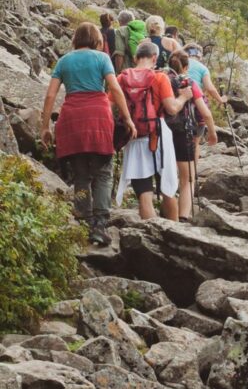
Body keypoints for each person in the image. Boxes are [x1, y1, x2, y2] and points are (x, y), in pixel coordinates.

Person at [40, 22, 137, 246]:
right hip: (98, 116)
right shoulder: (102, 58)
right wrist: (128, 118)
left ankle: (83, 221)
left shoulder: (64, 61)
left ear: (75, 39)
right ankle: (100, 225)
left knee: (81, 172)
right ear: (97, 40)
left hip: (72, 117)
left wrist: (45, 127)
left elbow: (50, 96)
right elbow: (115, 88)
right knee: (103, 172)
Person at [114, 40, 192, 221]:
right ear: (155, 58)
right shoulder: (159, 77)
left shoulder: (121, 78)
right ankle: (174, 235)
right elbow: (172, 108)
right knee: (168, 188)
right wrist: (183, 97)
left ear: (135, 58)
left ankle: (150, 235)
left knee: (143, 192)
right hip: (159, 136)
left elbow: (110, 106)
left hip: (133, 136)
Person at [166, 50, 217, 221]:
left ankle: (167, 212)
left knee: (167, 173)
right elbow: (205, 113)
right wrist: (213, 133)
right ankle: (183, 216)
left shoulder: (161, 79)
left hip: (162, 132)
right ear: (186, 67)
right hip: (183, 132)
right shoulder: (189, 82)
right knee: (187, 178)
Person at [182, 43, 228, 108]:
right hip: (194, 100)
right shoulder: (202, 68)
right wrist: (220, 99)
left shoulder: (179, 63)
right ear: (199, 55)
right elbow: (209, 88)